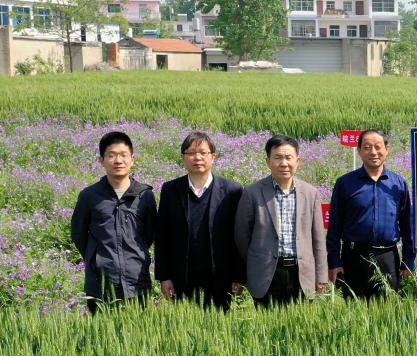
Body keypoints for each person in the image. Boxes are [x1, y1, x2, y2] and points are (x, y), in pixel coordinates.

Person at [154, 132, 244, 311]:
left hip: (220, 276)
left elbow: (239, 237)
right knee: (183, 323)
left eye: (203, 152)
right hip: (182, 276)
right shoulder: (171, 190)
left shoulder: (232, 190)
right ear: (183, 158)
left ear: (213, 157)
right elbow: (163, 235)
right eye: (191, 153)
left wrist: (238, 276)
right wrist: (164, 277)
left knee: (220, 323)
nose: (197, 158)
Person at [235, 135, 327, 307]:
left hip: (302, 274)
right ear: (268, 161)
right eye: (277, 157)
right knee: (266, 322)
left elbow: (318, 239)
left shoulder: (310, 193)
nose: (283, 163)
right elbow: (242, 237)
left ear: (297, 161)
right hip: (266, 274)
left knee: (302, 323)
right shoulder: (252, 193)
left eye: (288, 157)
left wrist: (321, 277)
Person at [71, 131, 157, 313]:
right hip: (100, 284)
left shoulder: (145, 195)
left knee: (139, 329)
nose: (118, 161)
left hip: (137, 281)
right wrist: (96, 258)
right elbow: (78, 234)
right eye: (111, 155)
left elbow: (149, 234)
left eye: (123, 155)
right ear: (101, 160)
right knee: (100, 330)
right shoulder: (89, 196)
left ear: (132, 159)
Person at [327, 129, 415, 299]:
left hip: (388, 257)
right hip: (353, 257)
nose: (373, 152)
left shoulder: (398, 183)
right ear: (359, 151)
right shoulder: (345, 183)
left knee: (388, 308)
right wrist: (334, 261)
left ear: (387, 149)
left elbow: (407, 225)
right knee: (354, 308)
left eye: (378, 147)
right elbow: (334, 227)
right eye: (367, 147)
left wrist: (409, 259)